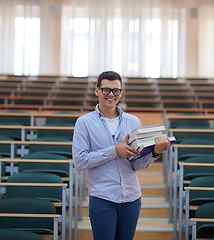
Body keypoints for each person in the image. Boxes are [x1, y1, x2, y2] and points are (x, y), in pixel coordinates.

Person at [72, 70, 170, 240]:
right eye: (106, 90)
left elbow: (136, 164)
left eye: (116, 90)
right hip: (102, 198)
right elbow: (80, 162)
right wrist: (113, 151)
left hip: (132, 199)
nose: (111, 94)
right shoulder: (84, 123)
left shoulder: (133, 121)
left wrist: (155, 152)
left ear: (121, 92)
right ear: (97, 91)